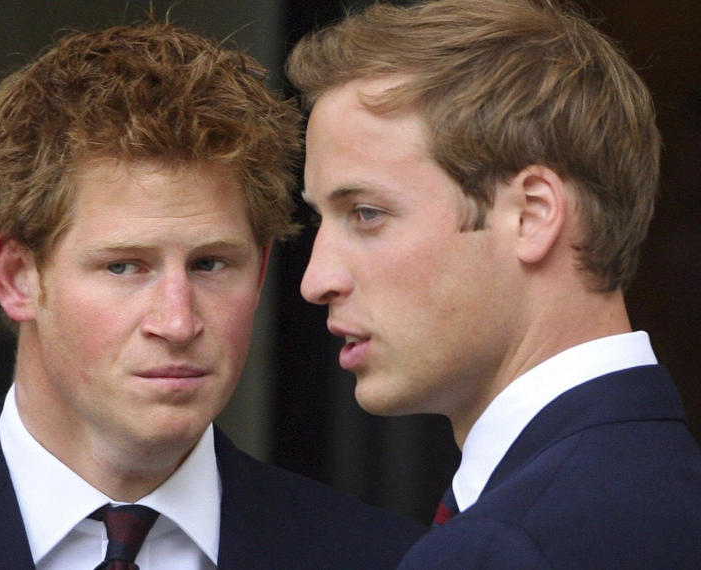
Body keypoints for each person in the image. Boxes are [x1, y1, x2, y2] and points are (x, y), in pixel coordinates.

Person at [0, 21, 426, 569]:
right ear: (17, 277)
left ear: (263, 270)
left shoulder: (387, 559)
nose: (178, 320)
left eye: (213, 264)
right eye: (124, 267)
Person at [287, 0, 701, 567]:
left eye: (366, 213)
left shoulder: (503, 548)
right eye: (320, 220)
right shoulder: (663, 483)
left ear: (531, 214)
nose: (316, 280)